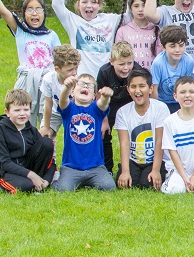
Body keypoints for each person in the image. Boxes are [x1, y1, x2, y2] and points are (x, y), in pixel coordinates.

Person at [0, 0, 62, 126]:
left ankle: (47, 147)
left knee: (47, 119)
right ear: (24, 13)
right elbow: (4, 12)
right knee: (22, 117)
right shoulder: (20, 31)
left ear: (44, 13)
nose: (34, 13)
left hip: (47, 80)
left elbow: (60, 60)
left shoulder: (51, 35)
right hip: (26, 81)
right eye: (30, 9)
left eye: (38, 9)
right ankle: (22, 147)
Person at [52, 0, 135, 77]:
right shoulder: (73, 21)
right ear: (78, 4)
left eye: (93, 2)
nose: (89, 5)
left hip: (105, 77)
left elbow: (129, 17)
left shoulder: (109, 20)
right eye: (84, 2)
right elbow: (56, 5)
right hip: (81, 78)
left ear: (100, 5)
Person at [52, 74, 116, 192]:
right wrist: (66, 87)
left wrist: (106, 96)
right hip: (71, 167)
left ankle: (92, 179)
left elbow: (103, 103)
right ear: (73, 92)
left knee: (109, 187)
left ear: (93, 96)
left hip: (95, 168)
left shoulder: (96, 110)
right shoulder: (69, 109)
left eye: (90, 86)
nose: (85, 87)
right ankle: (57, 181)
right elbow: (62, 100)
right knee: (63, 189)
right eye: (81, 84)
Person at [0, 89, 56, 193]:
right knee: (27, 187)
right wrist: (31, 175)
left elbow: (51, 162)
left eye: (26, 110)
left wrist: (47, 181)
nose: (22, 114)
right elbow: (4, 162)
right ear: (7, 112)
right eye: (17, 110)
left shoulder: (31, 130)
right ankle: (6, 185)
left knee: (46, 142)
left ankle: (38, 182)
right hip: (7, 171)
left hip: (28, 169)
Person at [114, 68, 169, 190]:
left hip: (153, 159)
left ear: (150, 89)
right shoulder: (122, 112)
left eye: (142, 86)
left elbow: (160, 141)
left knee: (147, 184)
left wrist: (155, 170)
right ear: (128, 89)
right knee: (127, 184)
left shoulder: (160, 108)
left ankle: (155, 170)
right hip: (134, 160)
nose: (137, 91)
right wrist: (125, 171)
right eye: (133, 87)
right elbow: (124, 142)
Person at [97, 41, 135, 172]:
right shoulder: (104, 72)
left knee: (134, 135)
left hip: (131, 104)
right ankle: (106, 168)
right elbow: (99, 96)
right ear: (111, 61)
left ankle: (132, 166)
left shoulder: (137, 71)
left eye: (129, 63)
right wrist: (104, 121)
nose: (126, 68)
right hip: (110, 105)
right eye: (121, 64)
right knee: (103, 134)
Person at [151, 25, 194, 113]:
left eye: (181, 45)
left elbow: (191, 85)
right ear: (163, 47)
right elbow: (154, 89)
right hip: (163, 102)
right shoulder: (158, 63)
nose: (177, 50)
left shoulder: (189, 61)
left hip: (181, 101)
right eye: (172, 46)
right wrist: (156, 110)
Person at [40, 45, 81, 139]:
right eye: (70, 70)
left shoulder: (79, 79)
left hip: (74, 112)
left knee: (79, 137)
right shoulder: (48, 79)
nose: (74, 72)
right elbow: (48, 104)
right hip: (55, 112)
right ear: (57, 69)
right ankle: (50, 153)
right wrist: (46, 127)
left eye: (76, 68)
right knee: (44, 138)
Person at [114, 0, 161, 71]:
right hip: (130, 77)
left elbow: (161, 57)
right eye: (136, 6)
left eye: (144, 5)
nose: (140, 9)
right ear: (131, 9)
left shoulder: (158, 29)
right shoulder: (122, 31)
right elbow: (118, 57)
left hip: (153, 78)